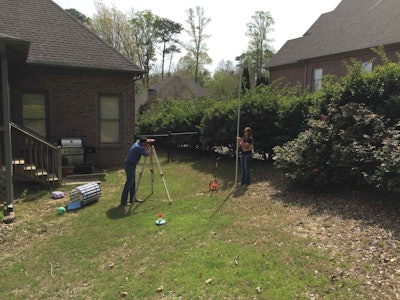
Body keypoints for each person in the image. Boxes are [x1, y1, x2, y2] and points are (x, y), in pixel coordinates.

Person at [120, 137, 155, 206]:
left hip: (130, 165)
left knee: (133, 182)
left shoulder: (137, 144)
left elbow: (143, 149)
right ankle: (123, 201)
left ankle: (133, 198)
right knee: (129, 183)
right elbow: (147, 154)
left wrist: (149, 142)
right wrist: (151, 147)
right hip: (130, 165)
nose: (146, 144)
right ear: (143, 143)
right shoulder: (138, 147)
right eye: (146, 143)